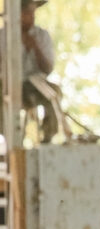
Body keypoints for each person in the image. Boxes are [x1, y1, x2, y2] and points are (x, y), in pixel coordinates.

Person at [4, 0, 64, 143]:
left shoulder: (41, 36)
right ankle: (10, 139)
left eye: (32, 13)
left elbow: (48, 68)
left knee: (53, 92)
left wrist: (34, 47)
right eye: (26, 13)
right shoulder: (3, 36)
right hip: (7, 83)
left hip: (35, 83)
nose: (30, 16)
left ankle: (48, 137)